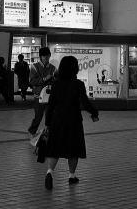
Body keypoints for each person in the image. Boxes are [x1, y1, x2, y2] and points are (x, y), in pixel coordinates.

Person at [44, 56, 99, 190]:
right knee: (73, 149)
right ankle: (71, 176)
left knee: (54, 148)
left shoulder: (56, 84)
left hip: (57, 120)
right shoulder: (78, 84)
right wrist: (94, 112)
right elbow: (85, 103)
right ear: (75, 68)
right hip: (73, 120)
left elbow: (50, 105)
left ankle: (50, 172)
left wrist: (47, 123)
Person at [28, 47, 56, 136]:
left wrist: (53, 79)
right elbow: (32, 81)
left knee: (50, 116)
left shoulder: (53, 68)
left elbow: (56, 81)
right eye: (44, 56)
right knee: (38, 117)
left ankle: (49, 132)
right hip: (38, 96)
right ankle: (32, 131)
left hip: (49, 96)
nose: (46, 58)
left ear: (50, 55)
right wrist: (44, 79)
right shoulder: (34, 66)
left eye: (48, 56)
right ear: (40, 57)